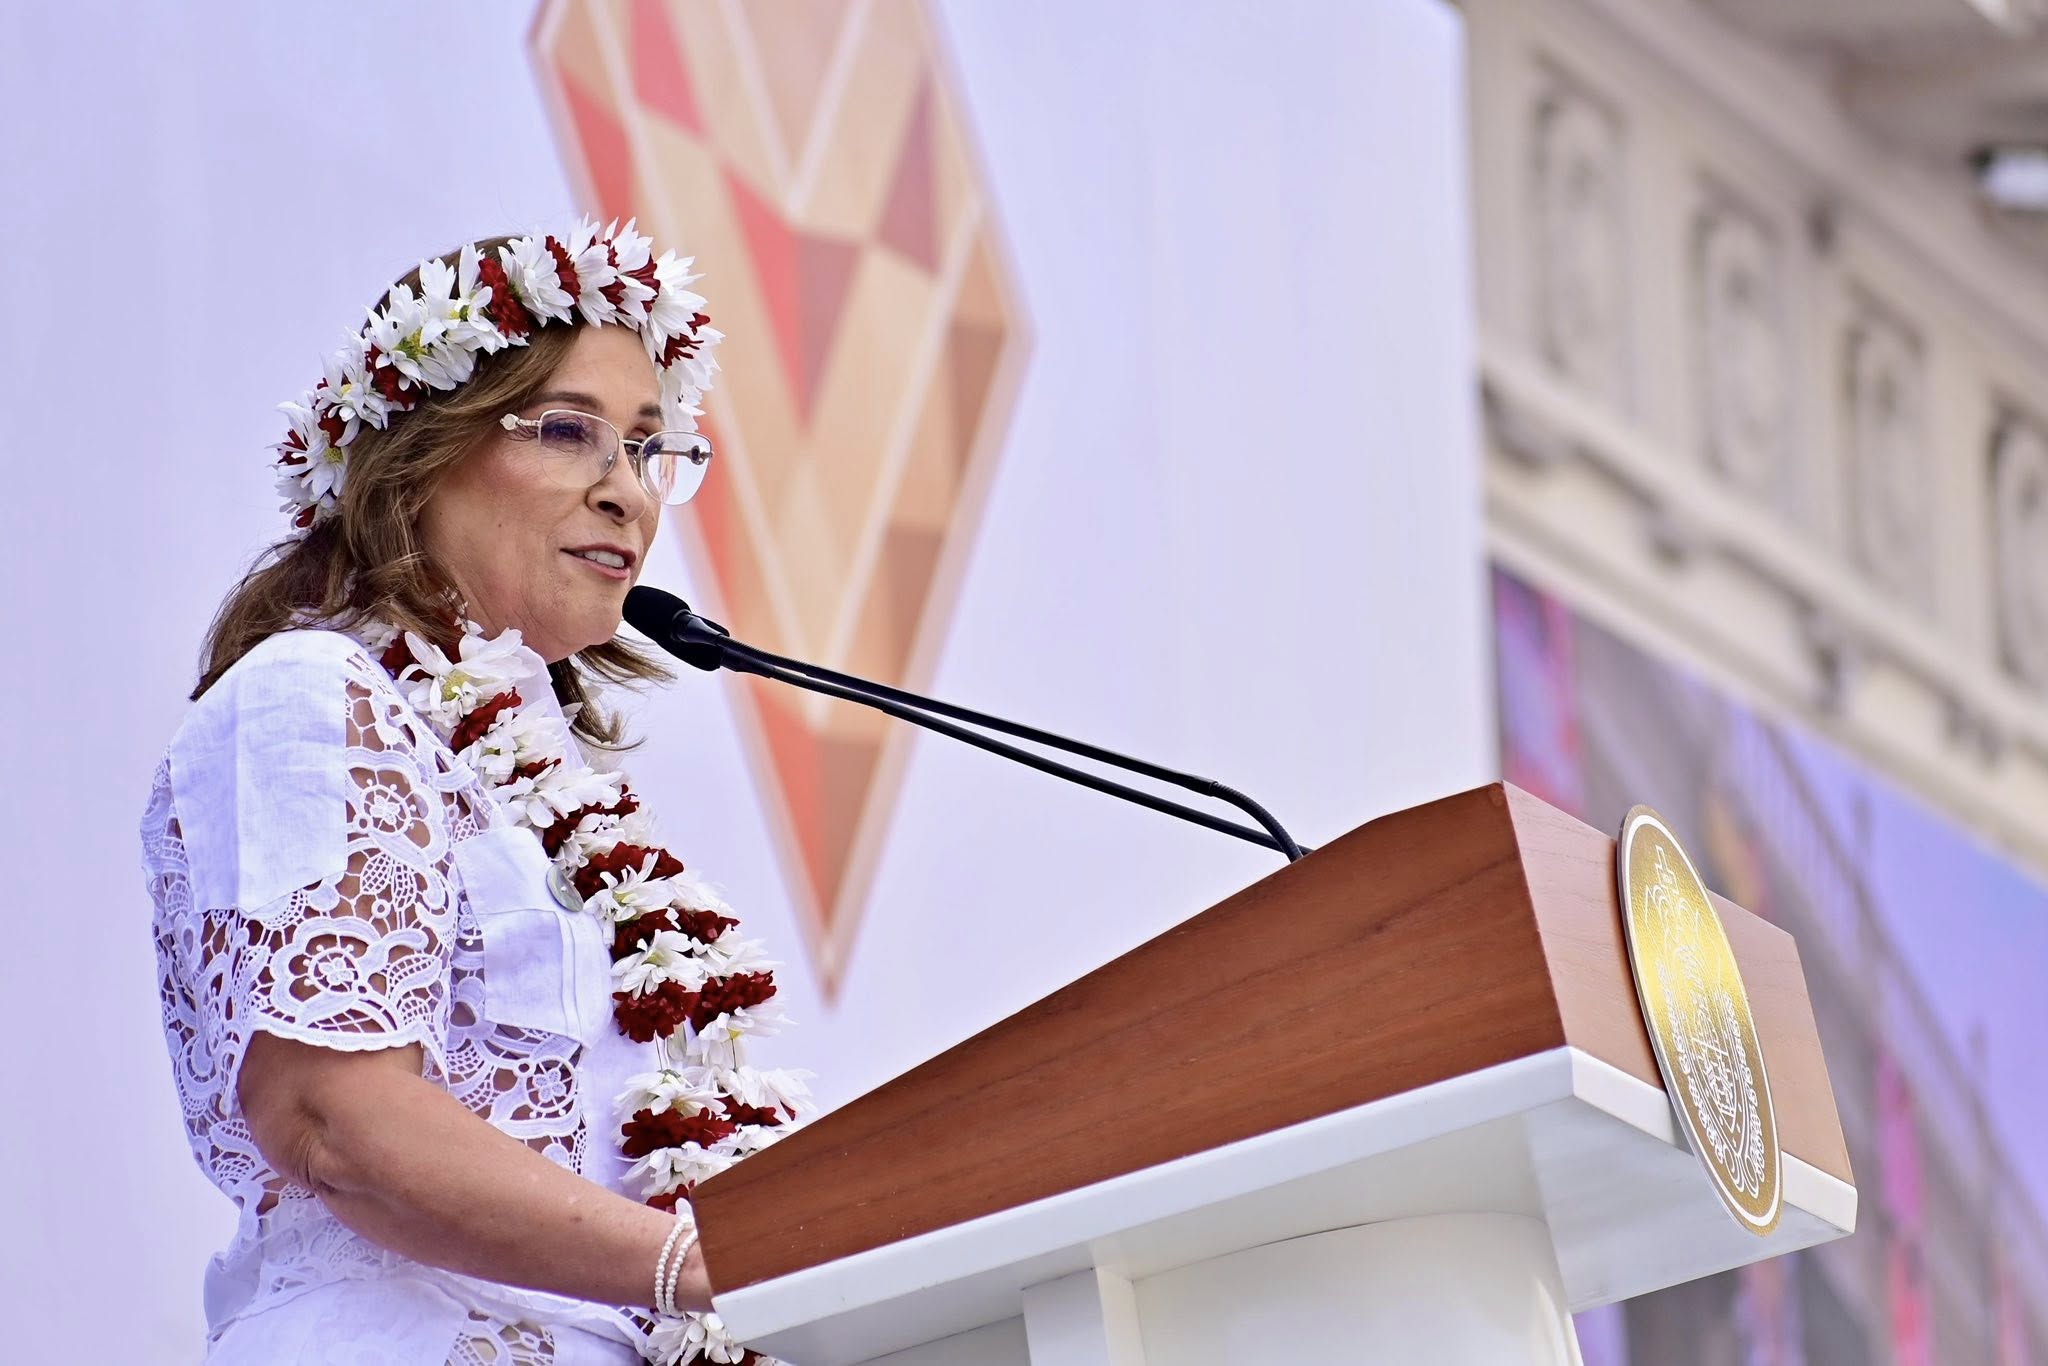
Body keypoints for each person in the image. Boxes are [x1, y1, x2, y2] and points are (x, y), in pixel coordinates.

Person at [141, 220, 812, 1366]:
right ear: (421, 455)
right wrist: (700, 1263)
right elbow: (332, 1119)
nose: (627, 493)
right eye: (569, 430)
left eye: (647, 447)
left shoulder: (542, 782)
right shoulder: (310, 698)